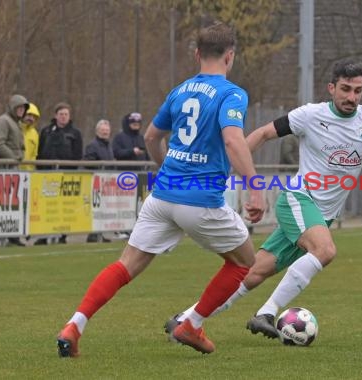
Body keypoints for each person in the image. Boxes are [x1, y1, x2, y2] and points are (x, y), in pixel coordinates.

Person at [164, 59, 362, 339]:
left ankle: (186, 319)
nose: (352, 97)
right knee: (325, 249)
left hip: (321, 216)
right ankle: (266, 313)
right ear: (331, 88)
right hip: (298, 199)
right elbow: (264, 133)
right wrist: (232, 170)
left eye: (358, 90)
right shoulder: (309, 115)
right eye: (345, 89)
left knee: (253, 272)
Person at [55, 21, 265, 357]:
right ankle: (192, 324)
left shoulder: (179, 91)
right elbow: (232, 139)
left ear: (197, 54)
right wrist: (255, 186)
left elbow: (152, 137)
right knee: (244, 262)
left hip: (162, 196)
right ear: (230, 57)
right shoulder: (231, 93)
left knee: (125, 266)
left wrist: (165, 167)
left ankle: (74, 325)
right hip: (200, 200)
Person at [35, 102, 83, 245]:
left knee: (64, 207)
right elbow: (40, 151)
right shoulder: (46, 131)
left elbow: (78, 154)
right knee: (46, 207)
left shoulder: (75, 134)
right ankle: (43, 235)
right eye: (61, 114)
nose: (63, 117)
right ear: (56, 115)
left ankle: (62, 234)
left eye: (66, 114)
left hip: (66, 176)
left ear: (69, 116)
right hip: (47, 175)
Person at [0, 94, 30, 247]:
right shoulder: (4, 121)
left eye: (23, 108)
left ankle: (13, 234)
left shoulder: (16, 123)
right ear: (13, 107)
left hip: (13, 169)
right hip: (4, 169)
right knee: (2, 203)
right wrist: (13, 157)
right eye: (19, 107)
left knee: (13, 203)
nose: (21, 110)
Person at [84, 119, 114, 243]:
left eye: (107, 131)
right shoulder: (93, 145)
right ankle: (93, 234)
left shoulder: (108, 146)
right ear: (97, 131)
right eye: (102, 130)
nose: (105, 133)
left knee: (104, 208)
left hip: (107, 182)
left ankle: (100, 233)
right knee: (96, 208)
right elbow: (88, 162)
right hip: (96, 182)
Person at [20, 103, 41, 171]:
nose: (31, 118)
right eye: (29, 115)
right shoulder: (14, 128)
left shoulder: (35, 133)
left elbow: (34, 154)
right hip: (13, 171)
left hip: (29, 172)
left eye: (34, 117)